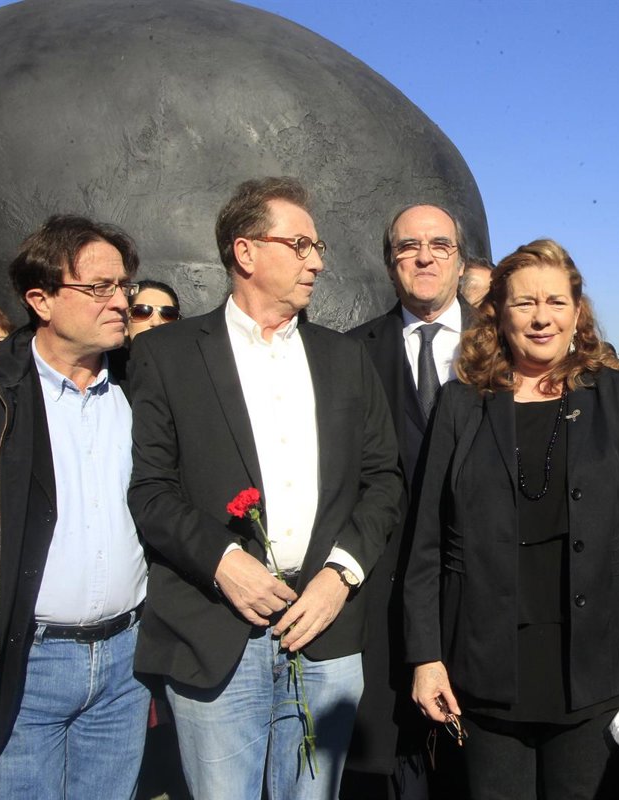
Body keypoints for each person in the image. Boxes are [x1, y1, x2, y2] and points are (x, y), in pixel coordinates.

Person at [127, 177, 403, 799]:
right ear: (245, 252)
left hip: (325, 633)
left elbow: (384, 480)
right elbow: (150, 489)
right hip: (216, 635)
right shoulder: (168, 355)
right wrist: (222, 561)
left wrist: (341, 576)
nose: (317, 261)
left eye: (318, 246)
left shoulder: (345, 358)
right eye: (300, 244)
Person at [404, 239, 619, 800]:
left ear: (578, 312)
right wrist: (426, 658)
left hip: (598, 672)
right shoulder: (461, 404)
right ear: (498, 313)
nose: (542, 318)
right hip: (485, 672)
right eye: (524, 303)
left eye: (556, 302)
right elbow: (425, 542)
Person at [0, 215, 148, 797]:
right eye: (98, 287)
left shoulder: (140, 388)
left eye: (122, 286)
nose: (119, 301)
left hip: (126, 667)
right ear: (40, 300)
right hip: (25, 667)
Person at [343, 203, 477, 798]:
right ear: (389, 261)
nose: (424, 258)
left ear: (461, 261)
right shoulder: (349, 354)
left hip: (480, 599)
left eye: (439, 245)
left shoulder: (504, 346)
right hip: (384, 598)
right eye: (408, 247)